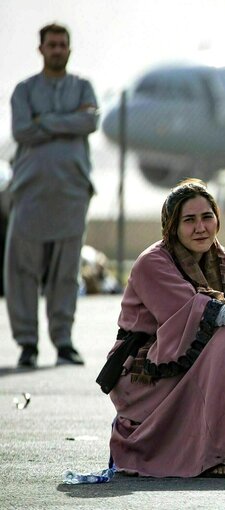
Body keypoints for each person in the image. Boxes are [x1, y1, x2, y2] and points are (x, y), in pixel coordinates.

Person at [102, 180, 225, 477]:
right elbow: (204, 313)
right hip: (147, 375)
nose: (200, 227)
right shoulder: (152, 262)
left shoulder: (221, 258)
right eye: (189, 220)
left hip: (191, 365)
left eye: (207, 217)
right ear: (172, 227)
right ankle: (215, 451)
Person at [7, 24, 97, 368]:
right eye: (52, 44)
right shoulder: (24, 91)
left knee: (65, 273)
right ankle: (27, 343)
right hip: (31, 195)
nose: (57, 49)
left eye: (63, 44)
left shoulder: (82, 86)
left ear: (69, 50)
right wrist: (68, 121)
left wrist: (46, 121)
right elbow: (21, 130)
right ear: (41, 49)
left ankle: (63, 342)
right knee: (22, 272)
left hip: (71, 194)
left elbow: (89, 122)